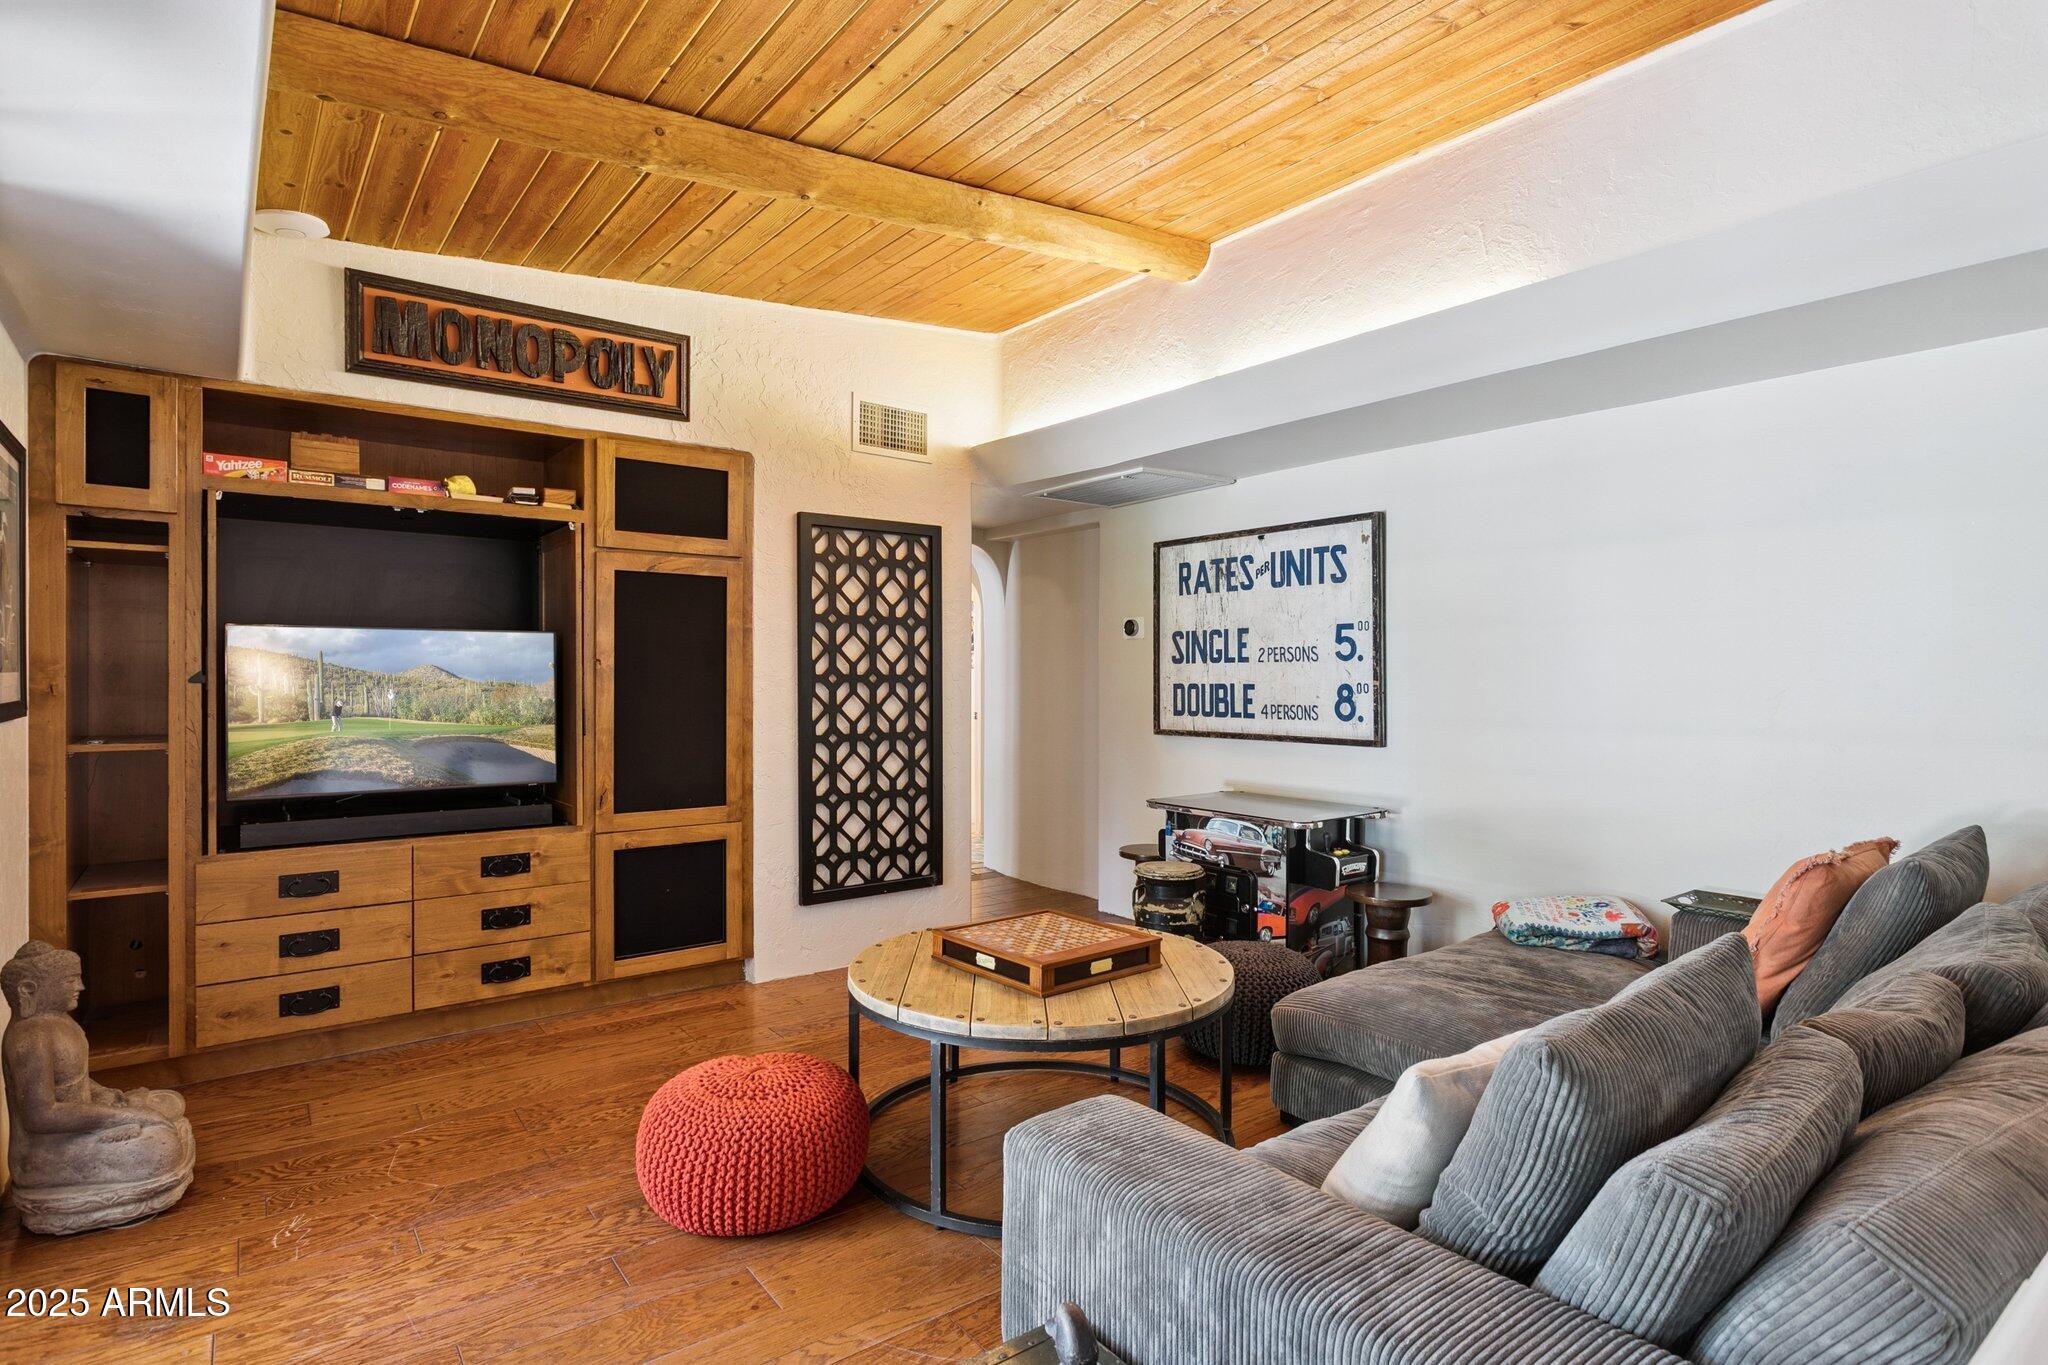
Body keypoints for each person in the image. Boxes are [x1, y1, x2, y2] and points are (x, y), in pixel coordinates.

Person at [1, 941, 194, 1233]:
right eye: (69, 981)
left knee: (170, 1103)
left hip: (87, 1119)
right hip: (50, 1149)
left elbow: (75, 1082)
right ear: (30, 990)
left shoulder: (60, 1023)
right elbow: (41, 1116)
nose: (79, 986)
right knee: (160, 1145)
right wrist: (121, 1118)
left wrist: (108, 1097)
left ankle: (151, 1139)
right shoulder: (29, 1038)